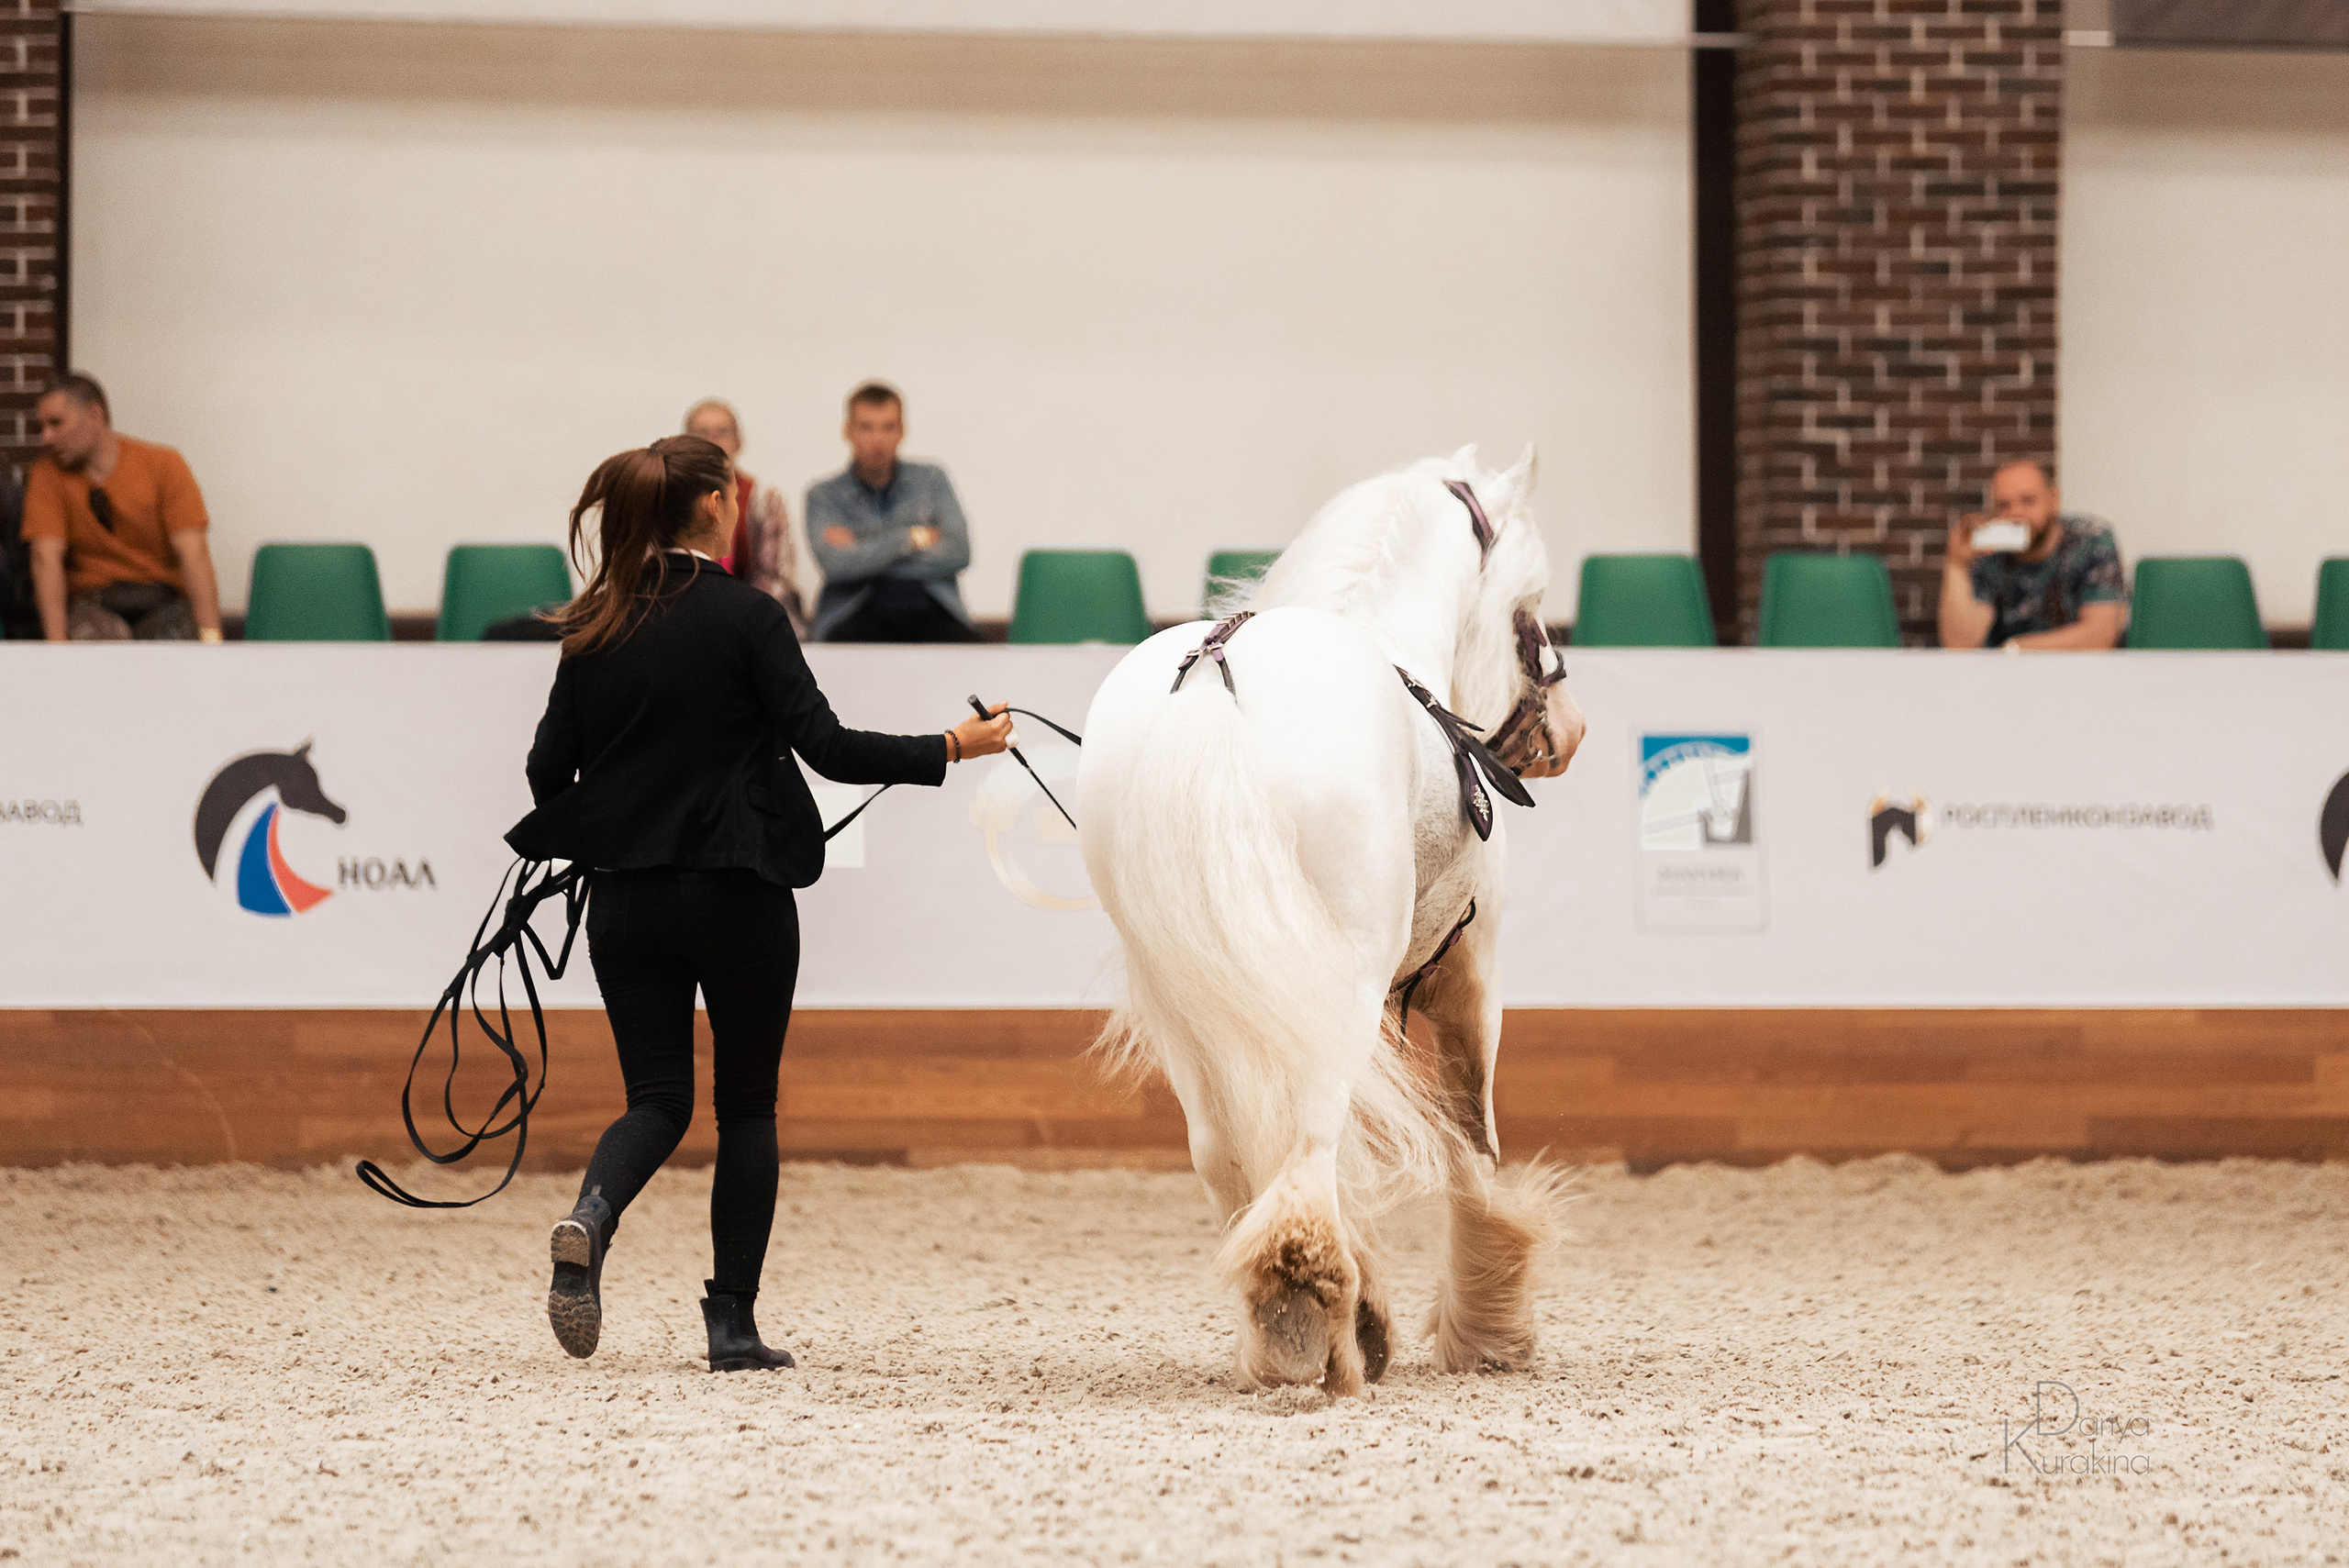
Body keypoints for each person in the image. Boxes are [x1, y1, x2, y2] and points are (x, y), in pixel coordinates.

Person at [506, 434, 1015, 1372]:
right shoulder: (749, 614)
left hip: (627, 901)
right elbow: (827, 747)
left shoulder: (597, 621)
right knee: (746, 1107)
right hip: (738, 892)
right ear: (709, 504)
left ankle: (591, 1214)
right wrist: (952, 744)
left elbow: (547, 769)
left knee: (655, 1099)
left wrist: (615, 822)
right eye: (731, 492)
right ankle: (731, 1325)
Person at [21, 373, 224, 642]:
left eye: (56, 423)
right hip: (93, 603)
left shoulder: (164, 465)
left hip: (163, 600)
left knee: (170, 651)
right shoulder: (47, 475)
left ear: (95, 416)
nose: (46, 437)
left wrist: (212, 640)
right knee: (98, 653)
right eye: (42, 426)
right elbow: (45, 558)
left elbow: (193, 552)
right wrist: (58, 647)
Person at [805, 382, 977, 641]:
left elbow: (959, 552)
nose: (878, 440)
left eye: (888, 427)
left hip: (931, 608)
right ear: (847, 432)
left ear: (902, 431)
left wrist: (861, 547)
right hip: (854, 614)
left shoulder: (932, 479)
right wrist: (913, 538)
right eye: (866, 427)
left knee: (975, 659)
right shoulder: (823, 495)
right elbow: (835, 565)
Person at [1938, 459, 2126, 651]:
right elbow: (1960, 645)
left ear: (2053, 499)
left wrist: (2016, 649)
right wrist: (1956, 564)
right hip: (2006, 676)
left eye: (2028, 501)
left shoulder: (2091, 540)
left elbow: (2101, 636)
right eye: (2003, 505)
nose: (2016, 513)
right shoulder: (1990, 551)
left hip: (2081, 674)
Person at [682, 397, 816, 639]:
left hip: (750, 615)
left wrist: (734, 611)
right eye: (702, 433)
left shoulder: (764, 498)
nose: (712, 441)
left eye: (722, 432)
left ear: (738, 441)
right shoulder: (670, 500)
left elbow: (776, 576)